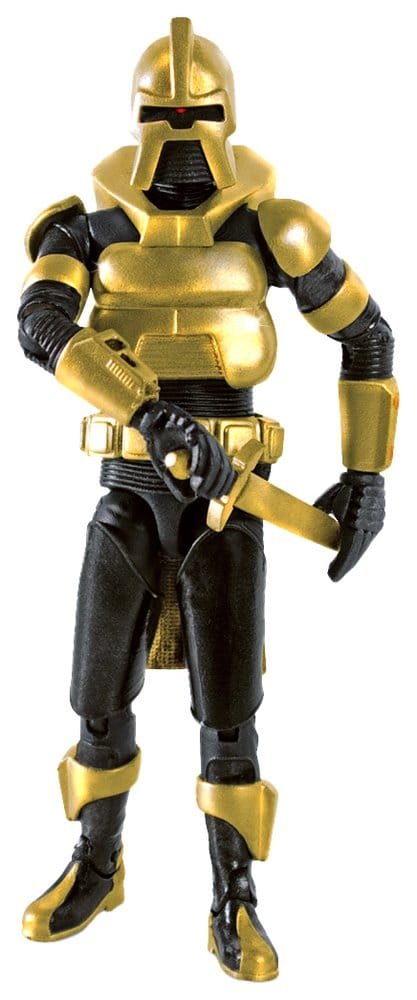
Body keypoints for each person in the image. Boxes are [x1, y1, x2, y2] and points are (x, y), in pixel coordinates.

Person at [18, 17, 397, 982]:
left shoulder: (273, 227)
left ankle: (234, 897)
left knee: (230, 716)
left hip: (229, 503)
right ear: (138, 114)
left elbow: (367, 337)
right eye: (166, 114)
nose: (181, 134)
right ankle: (97, 865)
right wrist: (145, 409)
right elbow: (40, 324)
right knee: (96, 700)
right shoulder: (88, 226)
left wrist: (365, 478)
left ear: (226, 115)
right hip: (127, 490)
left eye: (198, 114)